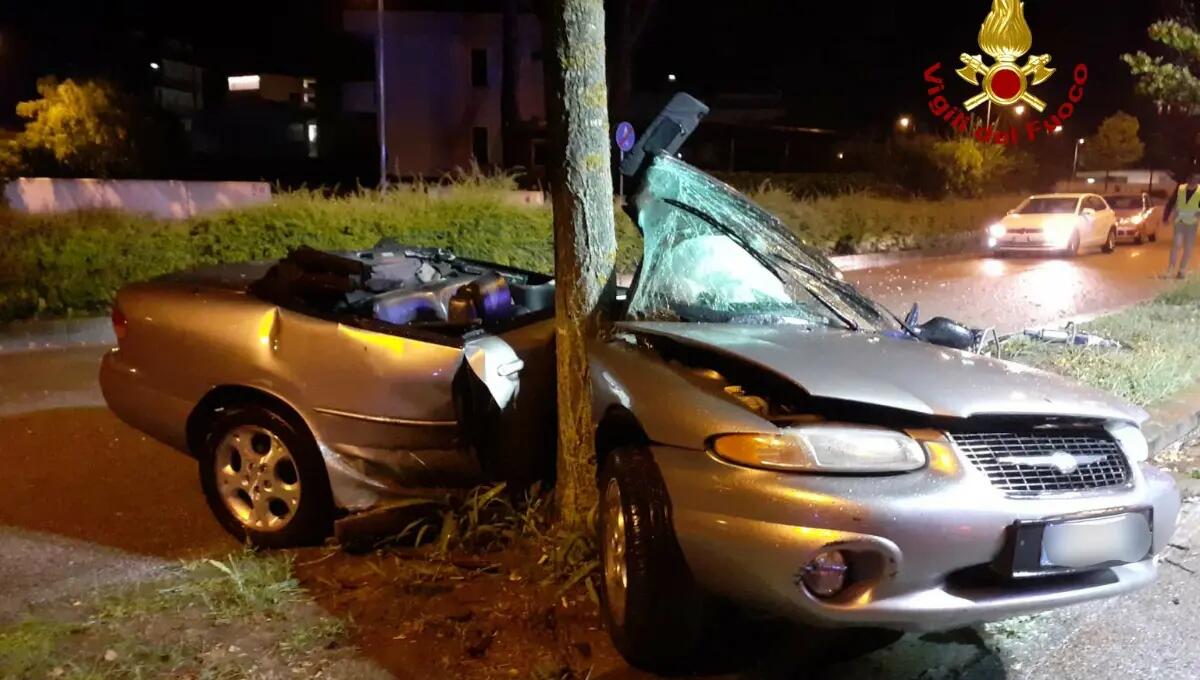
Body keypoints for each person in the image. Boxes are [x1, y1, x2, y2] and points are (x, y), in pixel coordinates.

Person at [1162, 171, 1200, 279]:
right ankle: (1170, 269)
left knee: (1188, 248)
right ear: (1188, 180)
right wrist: (1165, 217)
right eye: (1192, 180)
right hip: (1179, 221)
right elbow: (1171, 202)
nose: (1193, 182)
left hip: (1192, 223)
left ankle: (1182, 270)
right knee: (1177, 245)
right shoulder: (1181, 189)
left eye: (1196, 181)